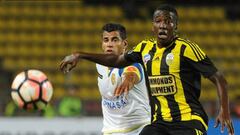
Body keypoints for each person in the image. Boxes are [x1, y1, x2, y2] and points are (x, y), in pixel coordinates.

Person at [60, 4, 234, 135]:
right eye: (159, 21)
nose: (163, 25)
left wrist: (224, 110)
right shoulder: (145, 48)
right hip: (160, 123)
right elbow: (118, 60)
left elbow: (219, 79)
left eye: (168, 21)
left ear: (176, 26)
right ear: (153, 26)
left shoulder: (186, 48)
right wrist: (79, 55)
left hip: (189, 120)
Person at [62, 23, 151, 134]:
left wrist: (129, 80)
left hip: (138, 130)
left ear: (124, 44)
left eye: (114, 40)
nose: (109, 44)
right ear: (102, 44)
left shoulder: (132, 64)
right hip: (109, 131)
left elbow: (132, 73)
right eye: (106, 40)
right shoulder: (100, 65)